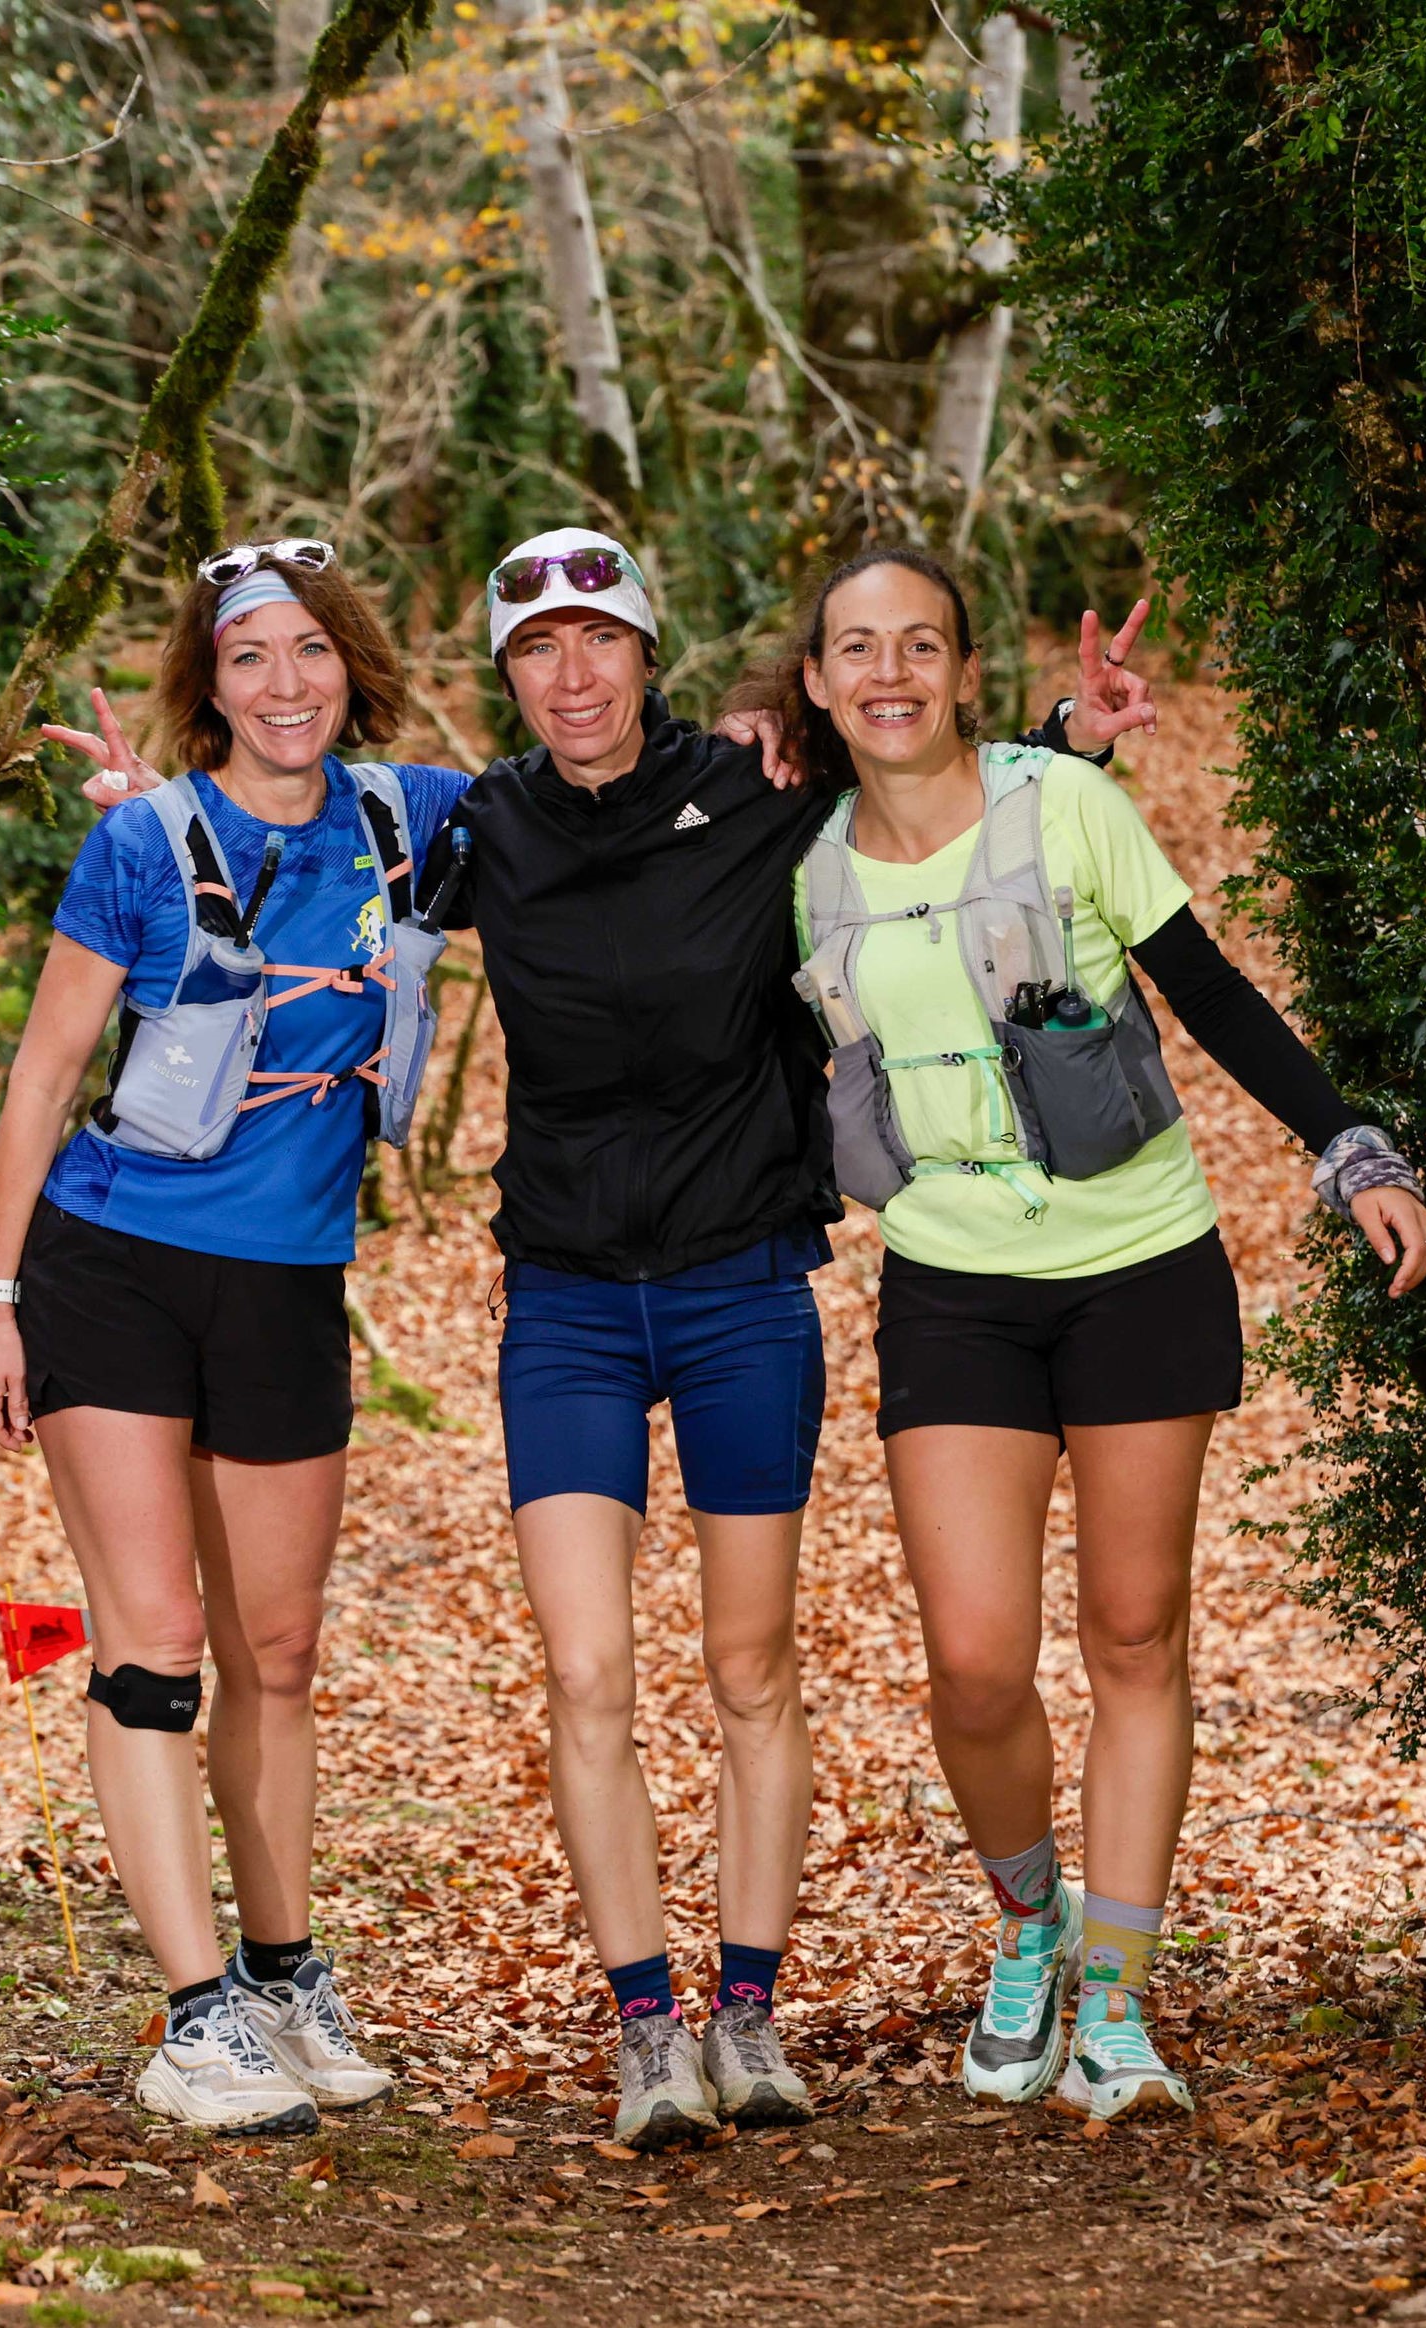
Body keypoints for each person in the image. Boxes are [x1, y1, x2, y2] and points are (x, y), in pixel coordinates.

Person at [438, 529, 1157, 2146]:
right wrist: (165, 823)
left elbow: (926, 798)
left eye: (598, 641)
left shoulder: (761, 789)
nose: (572, 676)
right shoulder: (478, 824)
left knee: (749, 1667)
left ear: (645, 651)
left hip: (739, 1290)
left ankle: (747, 2014)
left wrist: (1062, 736)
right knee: (586, 1671)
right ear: (507, 678)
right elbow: (302, 838)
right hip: (561, 1304)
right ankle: (644, 2030)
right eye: (537, 650)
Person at [739, 545, 1426, 2123]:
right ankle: (1029, 1921)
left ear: (961, 673)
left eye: (919, 644)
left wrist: (1350, 1150)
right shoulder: (799, 859)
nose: (890, 673)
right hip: (949, 1277)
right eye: (858, 649)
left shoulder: (1068, 809)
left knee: (1134, 1637)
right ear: (821, 681)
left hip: (1140, 1260)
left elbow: (1211, 992)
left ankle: (1113, 1995)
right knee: (975, 1665)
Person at [0, 539, 471, 2134]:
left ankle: (279, 1973)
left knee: (279, 1652)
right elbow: (44, 1078)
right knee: (154, 1638)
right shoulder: (144, 848)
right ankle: (193, 2020)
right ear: (208, 686)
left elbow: (617, 794)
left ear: (351, 665)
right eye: (249, 659)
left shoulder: (418, 821)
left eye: (309, 651)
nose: (284, 685)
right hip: (108, 1267)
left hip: (285, 1284)